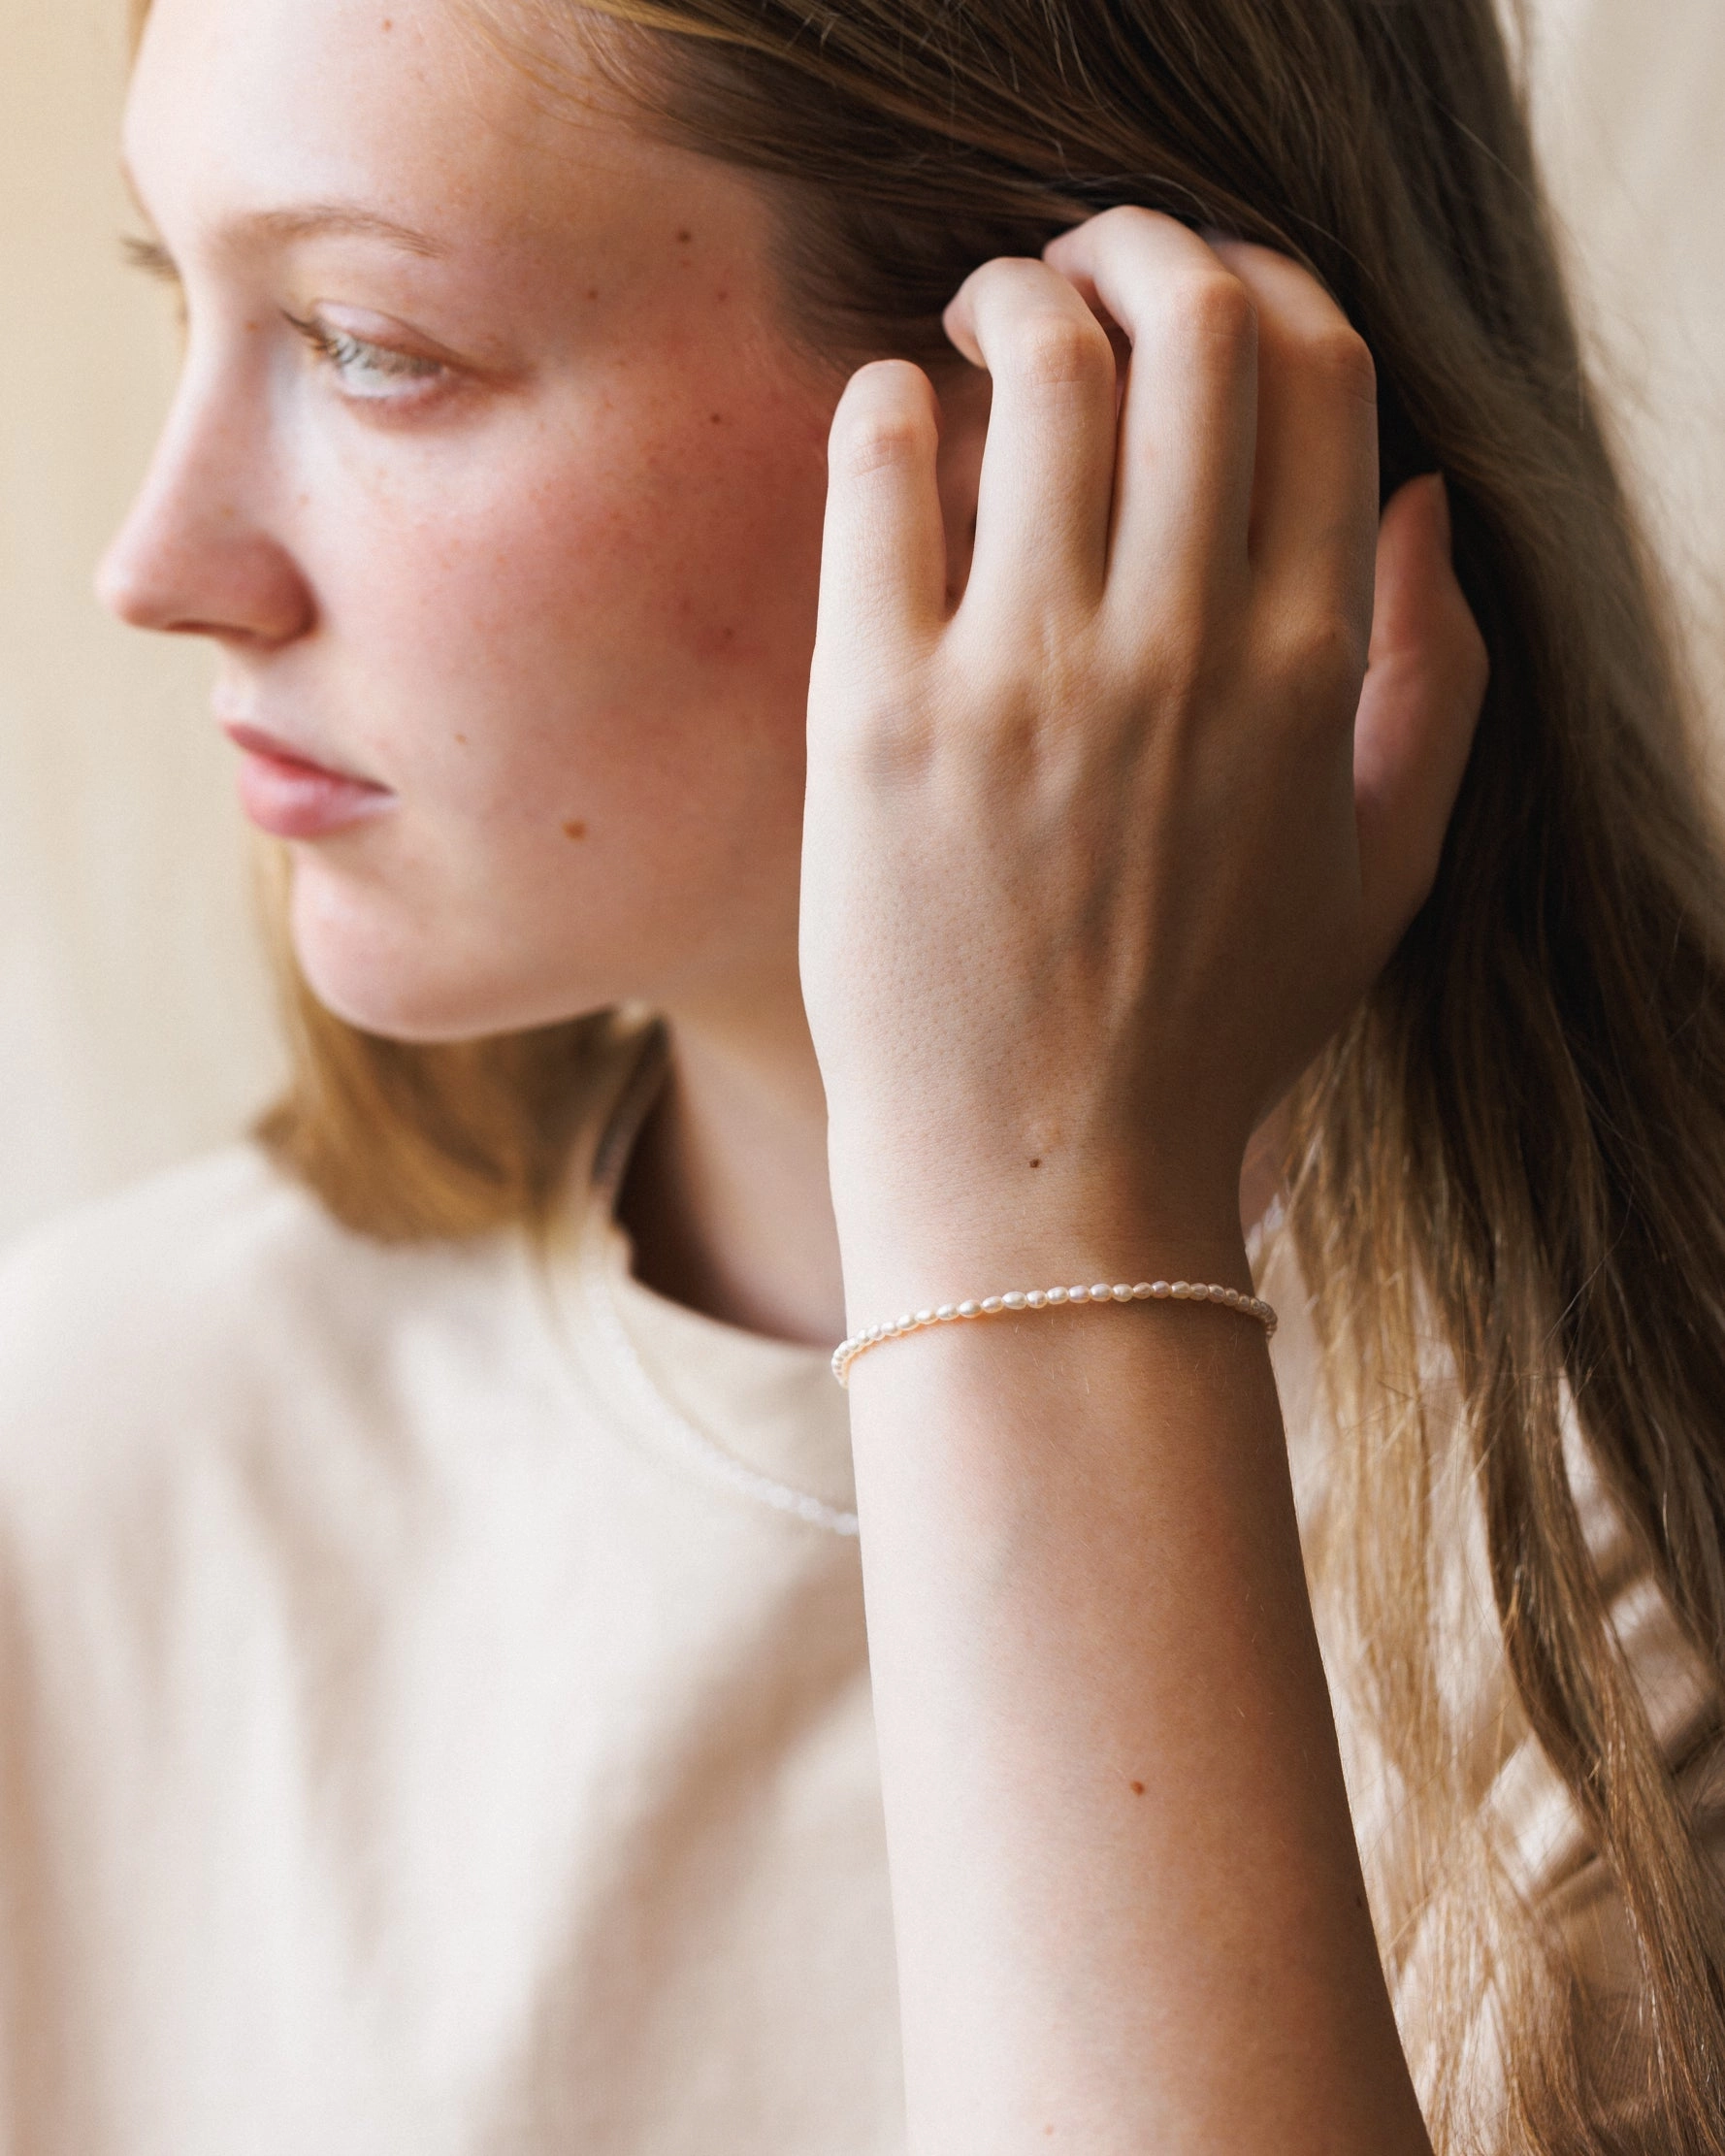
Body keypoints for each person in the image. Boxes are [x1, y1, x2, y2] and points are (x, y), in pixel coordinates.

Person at [3, 0, 1723, 2145]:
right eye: (190, 295)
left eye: (371, 347)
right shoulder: (75, 1474)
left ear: (1104, 421)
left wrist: (1042, 1218)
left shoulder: (1646, 1549)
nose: (159, 569)